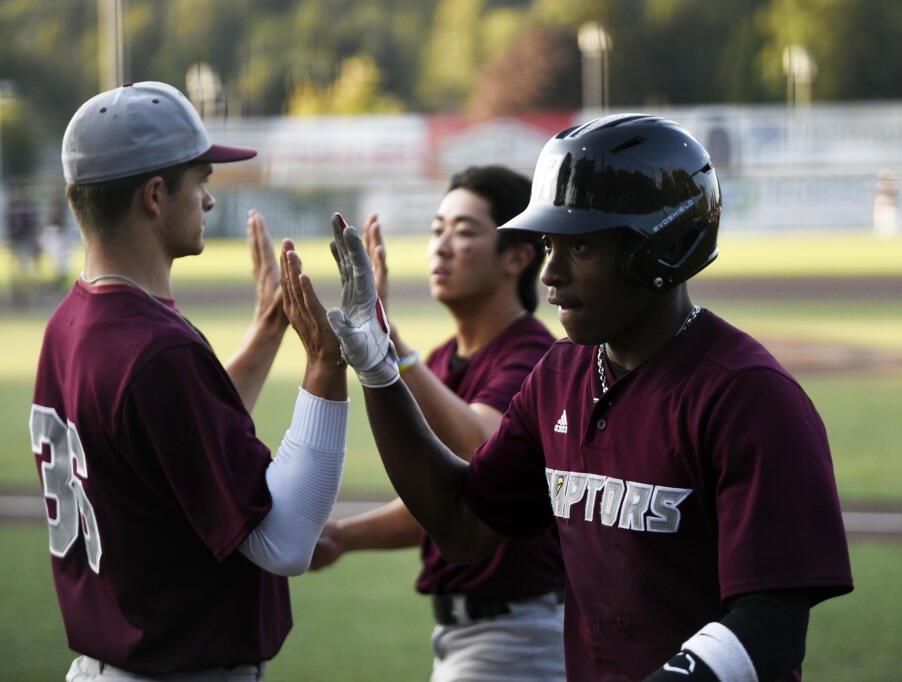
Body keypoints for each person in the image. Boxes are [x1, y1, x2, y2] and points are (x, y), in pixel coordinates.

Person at [299, 114, 854, 682]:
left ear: (662, 246)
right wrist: (378, 372)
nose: (551, 274)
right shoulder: (558, 375)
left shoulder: (749, 397)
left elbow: (776, 620)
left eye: (580, 246)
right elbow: (461, 527)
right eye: (548, 245)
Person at [31, 80, 349, 681]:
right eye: (200, 181)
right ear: (155, 195)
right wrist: (326, 370)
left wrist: (267, 332)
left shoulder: (71, 321)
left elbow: (178, 442)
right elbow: (284, 541)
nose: (207, 200)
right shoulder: (156, 349)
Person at [311, 166, 566, 681]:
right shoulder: (445, 359)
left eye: (466, 231)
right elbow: (449, 502)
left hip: (517, 639)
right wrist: (343, 537)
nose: (442, 246)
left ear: (517, 257)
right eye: (437, 229)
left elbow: (484, 448)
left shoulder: (533, 355)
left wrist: (392, 346)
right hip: (468, 637)